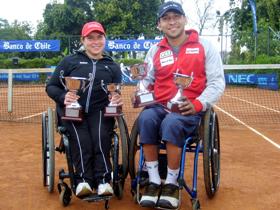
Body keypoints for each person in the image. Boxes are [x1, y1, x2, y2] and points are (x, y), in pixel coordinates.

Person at [134, 2, 225, 209]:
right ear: (159, 24)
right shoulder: (155, 50)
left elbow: (217, 82)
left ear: (185, 20)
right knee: (145, 119)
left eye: (176, 16)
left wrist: (198, 104)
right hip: (159, 106)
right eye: (166, 18)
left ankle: (172, 184)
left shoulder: (204, 45)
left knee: (172, 123)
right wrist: (141, 92)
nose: (172, 21)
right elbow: (146, 79)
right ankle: (154, 180)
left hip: (188, 109)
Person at [46, 21, 123, 197]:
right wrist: (63, 97)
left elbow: (116, 91)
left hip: (99, 112)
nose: (95, 42)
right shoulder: (69, 61)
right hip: (72, 111)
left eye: (99, 37)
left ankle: (103, 180)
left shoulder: (112, 65)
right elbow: (51, 86)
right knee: (82, 140)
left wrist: (115, 97)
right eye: (90, 38)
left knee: (101, 137)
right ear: (83, 40)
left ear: (105, 39)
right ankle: (83, 181)